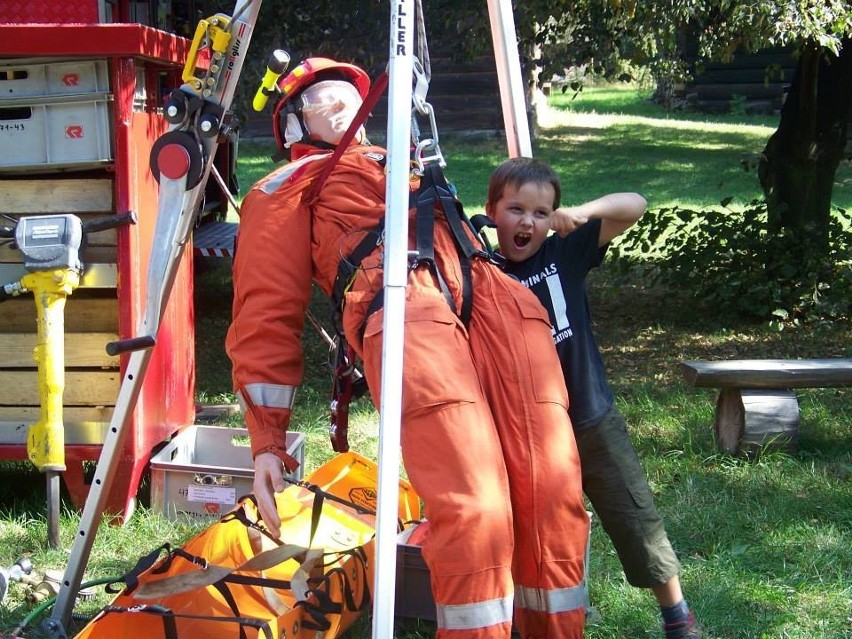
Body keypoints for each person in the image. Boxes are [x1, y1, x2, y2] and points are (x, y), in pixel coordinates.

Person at [225, 58, 590, 638]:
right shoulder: (285, 187)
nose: (344, 100)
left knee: (553, 491)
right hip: (404, 305)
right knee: (475, 501)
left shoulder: (406, 163)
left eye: (350, 91)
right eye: (324, 96)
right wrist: (268, 439)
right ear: (292, 125)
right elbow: (265, 311)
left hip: (490, 291)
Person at [485, 157, 702, 639]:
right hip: (526, 430)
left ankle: (677, 614)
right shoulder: (481, 271)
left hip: (589, 414)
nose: (527, 222)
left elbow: (635, 205)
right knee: (537, 529)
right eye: (516, 209)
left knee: (632, 511)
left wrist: (580, 212)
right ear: (492, 210)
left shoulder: (564, 251)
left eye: (541, 213)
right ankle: (550, 610)